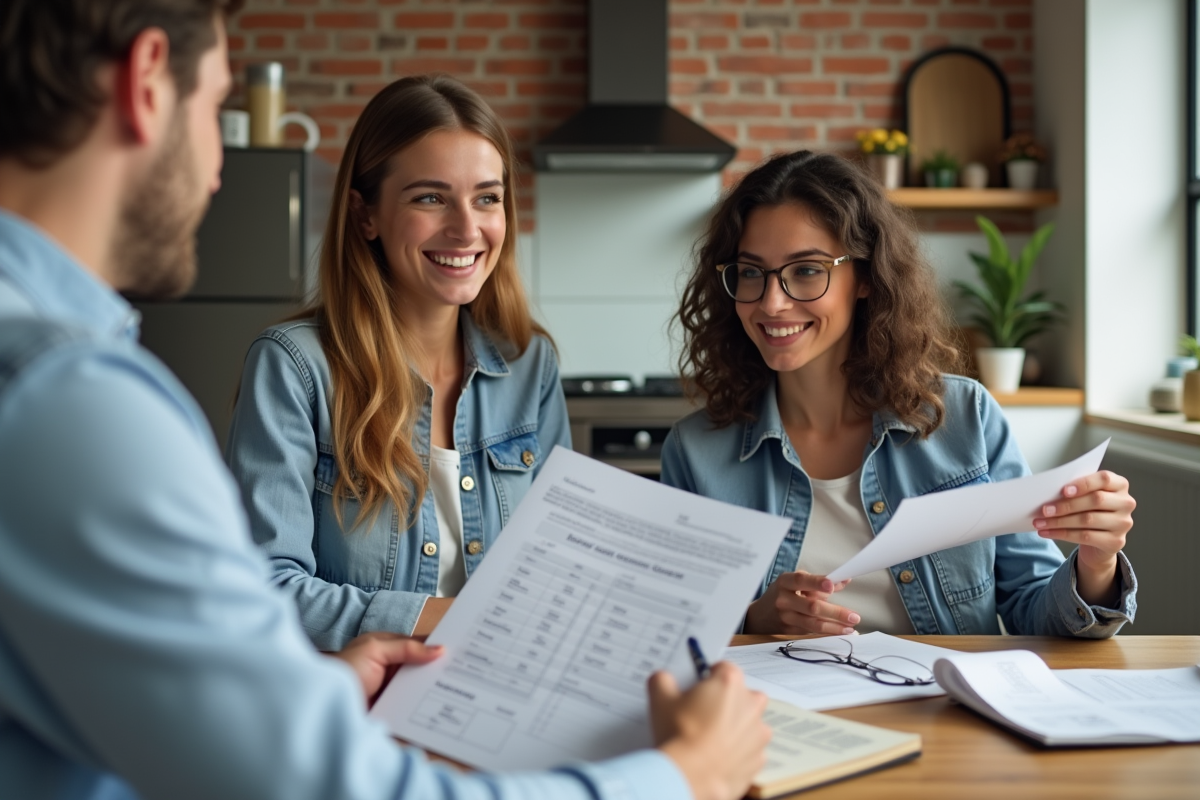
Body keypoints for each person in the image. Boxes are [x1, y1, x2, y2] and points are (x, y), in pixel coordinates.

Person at [0, 3, 770, 799]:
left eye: (488, 197)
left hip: (482, 707)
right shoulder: (74, 398)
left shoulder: (527, 362)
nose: (219, 168)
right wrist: (684, 776)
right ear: (148, 80)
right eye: (216, 107)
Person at [661, 150, 1138, 638]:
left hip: (938, 706)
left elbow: (1032, 606)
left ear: (865, 277)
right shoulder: (695, 452)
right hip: (776, 709)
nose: (772, 302)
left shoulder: (965, 418)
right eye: (751, 272)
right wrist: (753, 620)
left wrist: (1096, 563)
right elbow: (676, 627)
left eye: (806, 270)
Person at [224, 75, 564, 650]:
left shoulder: (530, 363)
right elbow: (265, 589)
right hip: (355, 702)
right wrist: (455, 619)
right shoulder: (293, 367)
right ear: (365, 215)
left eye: (487, 197)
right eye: (430, 198)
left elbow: (561, 564)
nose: (466, 228)